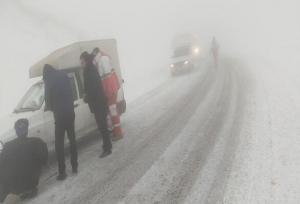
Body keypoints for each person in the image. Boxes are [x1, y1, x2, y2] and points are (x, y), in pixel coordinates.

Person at [43, 64, 78, 180]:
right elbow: (71, 91)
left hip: (60, 115)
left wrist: (51, 107)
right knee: (72, 139)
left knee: (59, 144)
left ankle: (62, 172)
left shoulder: (48, 81)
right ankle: (75, 166)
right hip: (70, 111)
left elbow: (47, 101)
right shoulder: (63, 74)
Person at [0, 119, 48, 202]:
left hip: (11, 186)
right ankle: (29, 188)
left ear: (16, 132)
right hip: (30, 182)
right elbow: (44, 160)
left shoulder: (7, 146)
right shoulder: (37, 142)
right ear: (27, 130)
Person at [80, 52, 112, 158]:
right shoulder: (89, 70)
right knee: (101, 126)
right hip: (97, 103)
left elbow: (93, 89)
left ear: (86, 61)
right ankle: (106, 145)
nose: (81, 64)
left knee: (102, 126)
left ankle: (107, 148)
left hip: (99, 103)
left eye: (82, 62)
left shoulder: (90, 71)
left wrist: (86, 97)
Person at [92, 48, 123, 141]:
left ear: (96, 53)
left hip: (111, 91)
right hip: (112, 89)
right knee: (112, 112)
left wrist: (107, 93)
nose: (93, 57)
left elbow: (107, 77)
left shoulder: (102, 60)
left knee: (113, 112)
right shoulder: (103, 59)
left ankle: (118, 134)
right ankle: (117, 132)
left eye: (94, 55)